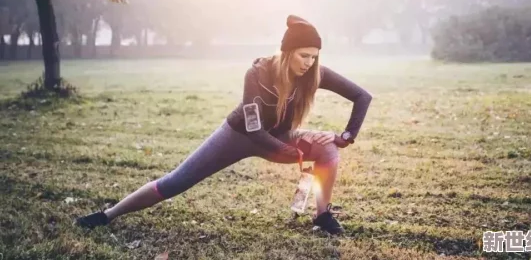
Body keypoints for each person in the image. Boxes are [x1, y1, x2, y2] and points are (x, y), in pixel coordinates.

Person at [76, 15, 373, 235]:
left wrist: (346, 135)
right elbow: (255, 129)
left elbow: (362, 96)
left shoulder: (316, 74)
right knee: (176, 182)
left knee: (329, 150)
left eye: (314, 56)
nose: (309, 63)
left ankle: (322, 216)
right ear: (287, 52)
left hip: (279, 139)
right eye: (303, 55)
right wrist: (290, 152)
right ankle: (108, 214)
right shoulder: (258, 73)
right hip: (238, 136)